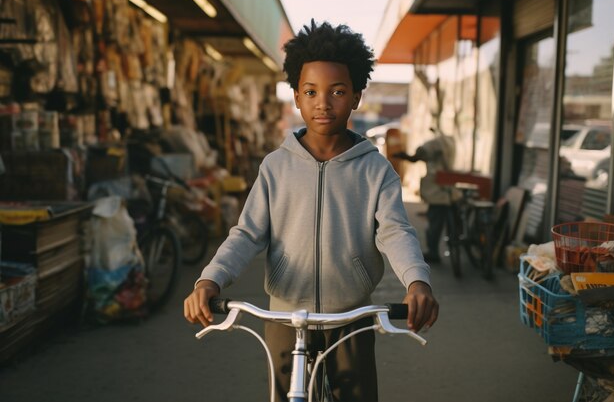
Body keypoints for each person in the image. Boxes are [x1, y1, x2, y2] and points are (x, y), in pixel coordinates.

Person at [184, 20, 438, 402]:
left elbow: (395, 231)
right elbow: (248, 232)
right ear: (296, 97)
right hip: (285, 316)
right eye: (311, 91)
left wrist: (416, 281)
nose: (323, 102)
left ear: (356, 96)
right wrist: (210, 280)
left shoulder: (374, 168)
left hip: (351, 317)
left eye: (337, 91)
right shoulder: (275, 166)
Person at [393, 128, 456, 263]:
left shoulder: (434, 145)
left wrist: (405, 156)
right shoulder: (448, 144)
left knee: (434, 223)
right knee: (444, 221)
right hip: (449, 190)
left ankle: (433, 252)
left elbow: (418, 156)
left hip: (439, 192)